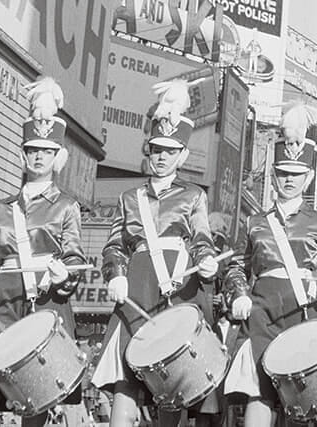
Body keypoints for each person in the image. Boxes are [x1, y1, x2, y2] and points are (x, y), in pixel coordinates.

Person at [91, 79, 223, 427]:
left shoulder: (193, 195)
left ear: (182, 154)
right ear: (148, 150)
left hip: (176, 288)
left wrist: (207, 262)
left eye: (169, 150)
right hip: (135, 286)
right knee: (125, 377)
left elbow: (201, 238)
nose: (161, 157)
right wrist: (115, 273)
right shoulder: (129, 198)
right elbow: (114, 245)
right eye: (156, 149)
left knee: (173, 378)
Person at [0, 77, 86, 427]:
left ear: (57, 156)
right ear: (23, 154)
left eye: (45, 151)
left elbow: (74, 259)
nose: (38, 157)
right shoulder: (1, 207)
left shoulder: (66, 206)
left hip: (45, 301)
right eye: (32, 150)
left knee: (37, 394)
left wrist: (64, 278)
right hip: (2, 301)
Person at [222, 104, 317, 427]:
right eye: (282, 173)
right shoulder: (255, 222)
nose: (288, 180)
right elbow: (238, 266)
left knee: (304, 404)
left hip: (305, 315)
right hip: (263, 314)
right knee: (260, 393)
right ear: (273, 174)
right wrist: (239, 293)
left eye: (296, 174)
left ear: (308, 177)